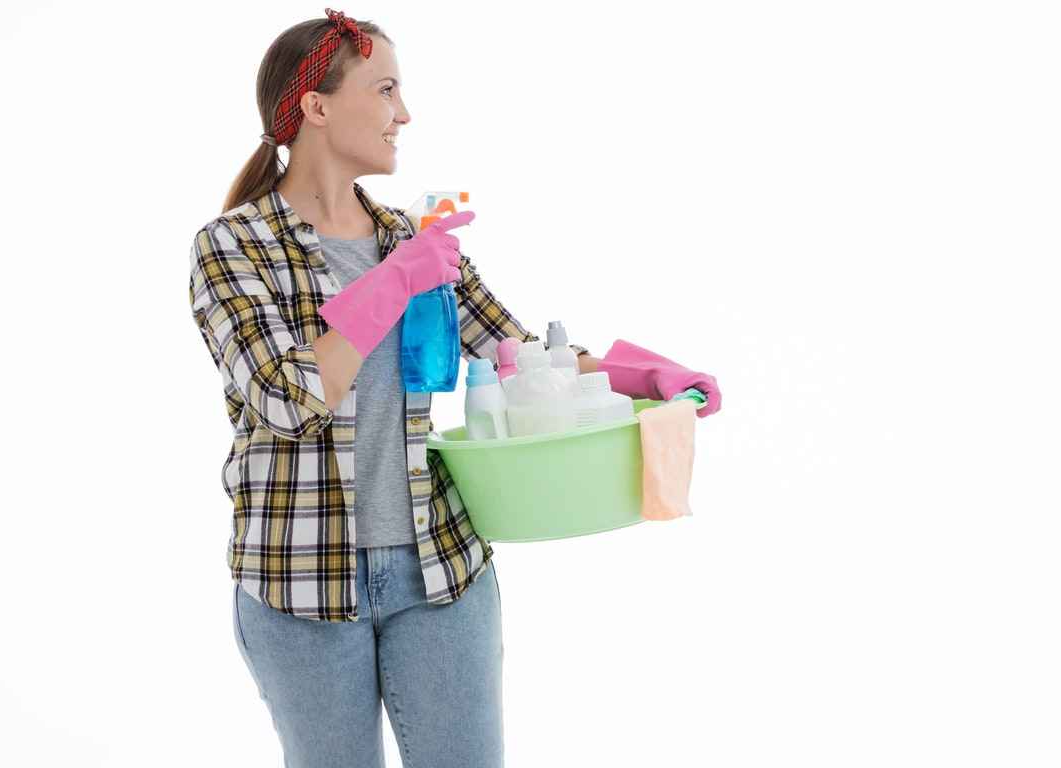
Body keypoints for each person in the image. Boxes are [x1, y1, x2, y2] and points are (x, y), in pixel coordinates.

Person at [187, 9, 721, 768]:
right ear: (316, 106)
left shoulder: (414, 242)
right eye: (385, 89)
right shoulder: (232, 246)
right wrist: (392, 282)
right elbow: (288, 398)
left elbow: (520, 355)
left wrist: (646, 377)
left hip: (439, 567)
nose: (404, 113)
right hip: (299, 582)